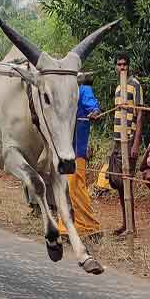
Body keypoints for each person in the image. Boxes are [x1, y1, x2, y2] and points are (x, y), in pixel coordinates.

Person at [58, 75, 103, 237]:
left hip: (77, 150)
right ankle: (66, 226)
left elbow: (94, 107)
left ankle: (88, 225)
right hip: (64, 150)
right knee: (65, 188)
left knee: (76, 186)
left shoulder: (83, 89)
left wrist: (95, 112)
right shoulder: (65, 92)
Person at [107, 52, 145, 235]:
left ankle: (132, 227)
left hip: (128, 139)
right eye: (119, 64)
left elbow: (140, 115)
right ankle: (125, 222)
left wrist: (136, 143)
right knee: (116, 181)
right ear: (116, 66)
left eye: (124, 64)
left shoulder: (135, 85)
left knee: (126, 182)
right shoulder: (117, 88)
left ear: (128, 66)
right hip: (116, 139)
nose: (122, 67)